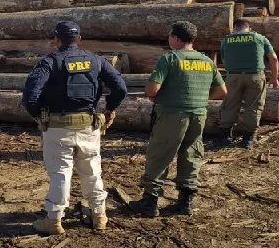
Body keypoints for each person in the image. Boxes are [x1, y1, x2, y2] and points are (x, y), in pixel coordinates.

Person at [22, 21, 128, 235]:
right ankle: (100, 216)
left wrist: (39, 117)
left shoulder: (49, 62)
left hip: (57, 127)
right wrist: (109, 110)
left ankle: (54, 220)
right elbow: (120, 88)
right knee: (92, 171)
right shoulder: (97, 60)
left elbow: (30, 96)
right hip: (89, 126)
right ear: (79, 39)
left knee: (61, 173)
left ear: (57, 40)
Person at [130, 21, 227, 217]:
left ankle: (150, 202)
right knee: (192, 154)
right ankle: (185, 202)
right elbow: (222, 91)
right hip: (198, 114)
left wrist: (155, 95)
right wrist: (198, 99)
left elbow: (152, 89)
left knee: (160, 155)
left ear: (175, 38)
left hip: (171, 115)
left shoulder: (170, 59)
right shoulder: (206, 61)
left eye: (169, 36)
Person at [218, 18, 279, 148]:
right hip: (255, 76)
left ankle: (225, 137)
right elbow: (273, 58)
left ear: (235, 28)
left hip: (233, 77)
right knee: (254, 106)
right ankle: (248, 139)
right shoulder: (260, 38)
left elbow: (224, 59)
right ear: (249, 28)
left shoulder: (226, 40)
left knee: (229, 105)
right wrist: (274, 78)